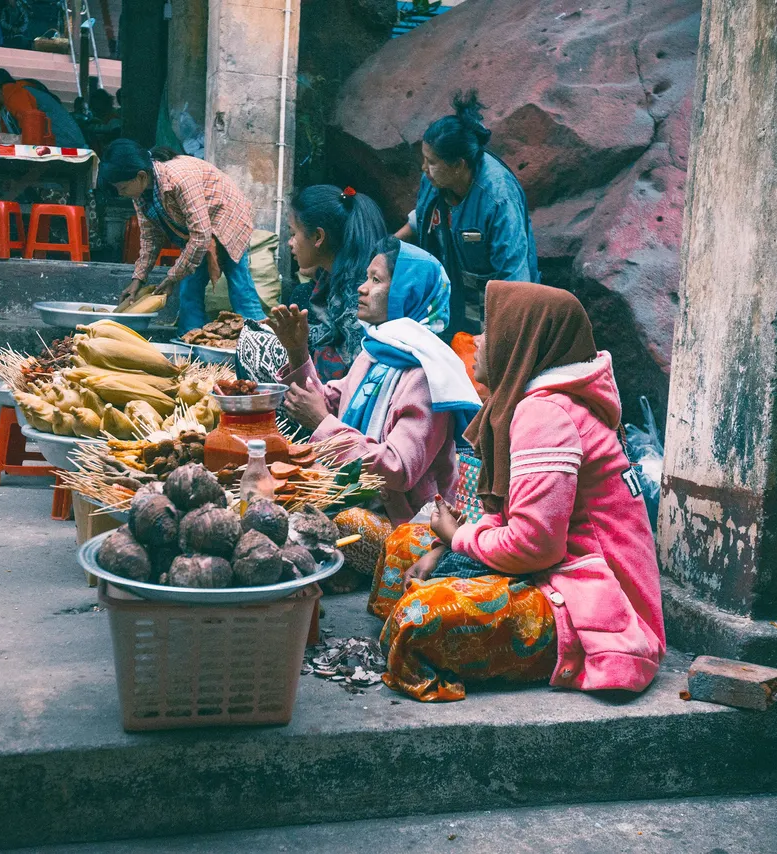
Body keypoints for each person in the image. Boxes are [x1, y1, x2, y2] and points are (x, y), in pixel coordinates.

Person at [373, 282, 666, 702]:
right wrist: (448, 548)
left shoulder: (546, 414)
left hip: (601, 611)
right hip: (559, 572)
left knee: (421, 617)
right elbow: (518, 518)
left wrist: (458, 539)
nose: (477, 340)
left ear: (522, 341)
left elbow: (534, 545)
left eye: (491, 330)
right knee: (405, 546)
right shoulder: (535, 404)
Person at [267, 237, 480, 527]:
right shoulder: (376, 352)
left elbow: (398, 468)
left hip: (405, 521)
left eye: (376, 280)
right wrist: (296, 351)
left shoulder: (428, 376)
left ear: (408, 293)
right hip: (354, 498)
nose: (362, 288)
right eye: (367, 277)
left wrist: (321, 421)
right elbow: (329, 402)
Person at [396, 91, 539, 342]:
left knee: (480, 363)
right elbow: (424, 219)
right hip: (452, 293)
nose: (423, 169)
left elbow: (515, 279)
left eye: (431, 161)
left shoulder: (498, 198)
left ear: (458, 165)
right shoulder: (434, 179)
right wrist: (386, 248)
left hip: (496, 301)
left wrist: (496, 339)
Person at [101, 139, 268, 334]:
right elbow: (150, 239)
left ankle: (259, 339)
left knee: (239, 284)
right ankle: (191, 340)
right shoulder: (140, 195)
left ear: (141, 176)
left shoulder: (179, 178)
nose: (122, 194)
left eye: (123, 188)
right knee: (189, 288)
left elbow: (200, 237)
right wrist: (138, 278)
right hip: (197, 233)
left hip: (227, 218)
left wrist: (172, 277)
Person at [238, 185, 387, 384]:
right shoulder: (332, 277)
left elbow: (352, 374)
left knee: (253, 341)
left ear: (318, 237)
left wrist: (295, 349)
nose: (290, 243)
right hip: (327, 386)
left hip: (337, 398)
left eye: (293, 233)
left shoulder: (356, 292)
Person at [0, 67, 87, 148]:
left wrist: (9, 139)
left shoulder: (16, 94)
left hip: (68, 145)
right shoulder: (3, 107)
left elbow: (33, 138)